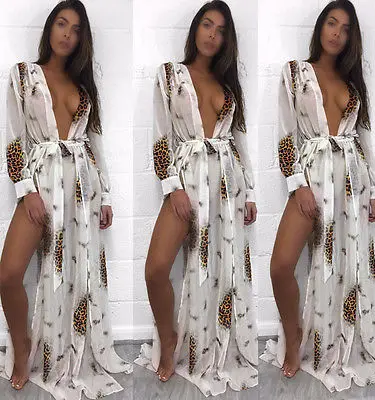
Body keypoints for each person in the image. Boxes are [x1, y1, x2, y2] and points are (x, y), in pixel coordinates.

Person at [260, 0, 375, 392]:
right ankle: (295, 338)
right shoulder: (295, 72)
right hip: (312, 176)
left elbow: (363, 137)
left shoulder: (353, 83)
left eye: (345, 28)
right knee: (281, 265)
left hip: (353, 182)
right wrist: (297, 183)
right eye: (332, 23)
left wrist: (374, 188)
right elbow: (286, 133)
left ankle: (338, 335)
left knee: (346, 267)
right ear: (320, 27)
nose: (337, 33)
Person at [0, 1, 132, 398]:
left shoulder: (83, 88)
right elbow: (14, 138)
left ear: (81, 40)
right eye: (61, 24)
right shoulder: (23, 75)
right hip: (40, 182)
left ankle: (67, 347)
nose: (67, 34)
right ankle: (23, 345)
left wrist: (105, 195)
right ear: (50, 28)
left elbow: (93, 144)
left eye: (76, 29)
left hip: (80, 188)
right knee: (8, 274)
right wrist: (26, 190)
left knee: (75, 275)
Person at [134, 0, 258, 396]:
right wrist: (172, 186)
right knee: (156, 268)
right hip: (186, 180)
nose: (212, 35)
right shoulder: (170, 75)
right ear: (195, 28)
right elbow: (161, 136)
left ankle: (210, 341)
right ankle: (169, 337)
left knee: (220, 272)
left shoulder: (228, 86)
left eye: (221, 31)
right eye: (207, 25)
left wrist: (249, 190)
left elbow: (237, 141)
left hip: (226, 185)